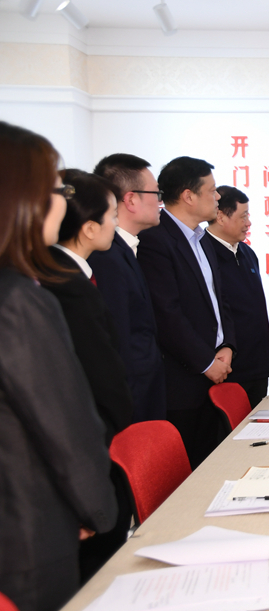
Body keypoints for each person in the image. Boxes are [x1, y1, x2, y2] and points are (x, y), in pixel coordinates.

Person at [0, 121, 116, 611]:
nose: (63, 203)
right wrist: (96, 508)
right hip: (30, 537)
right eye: (56, 190)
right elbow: (63, 424)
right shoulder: (18, 300)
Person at [42, 169, 135, 582]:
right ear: (89, 228)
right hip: (94, 453)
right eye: (112, 215)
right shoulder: (67, 287)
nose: (116, 224)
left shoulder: (65, 276)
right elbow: (99, 382)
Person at [138, 156, 236, 469]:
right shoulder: (155, 240)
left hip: (216, 373)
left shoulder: (203, 240)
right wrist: (206, 362)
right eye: (212, 190)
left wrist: (227, 345)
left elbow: (219, 301)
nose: (218, 196)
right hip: (183, 384)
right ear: (188, 196)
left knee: (215, 468)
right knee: (186, 476)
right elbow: (166, 314)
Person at [89, 153, 167, 423]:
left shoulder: (125, 248)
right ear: (131, 199)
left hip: (145, 389)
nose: (160, 202)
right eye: (156, 193)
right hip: (133, 400)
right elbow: (118, 340)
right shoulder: (106, 256)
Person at [206, 186, 269, 407]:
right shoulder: (203, 253)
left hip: (258, 365)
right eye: (243, 216)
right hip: (227, 369)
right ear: (220, 217)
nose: (248, 223)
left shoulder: (247, 252)